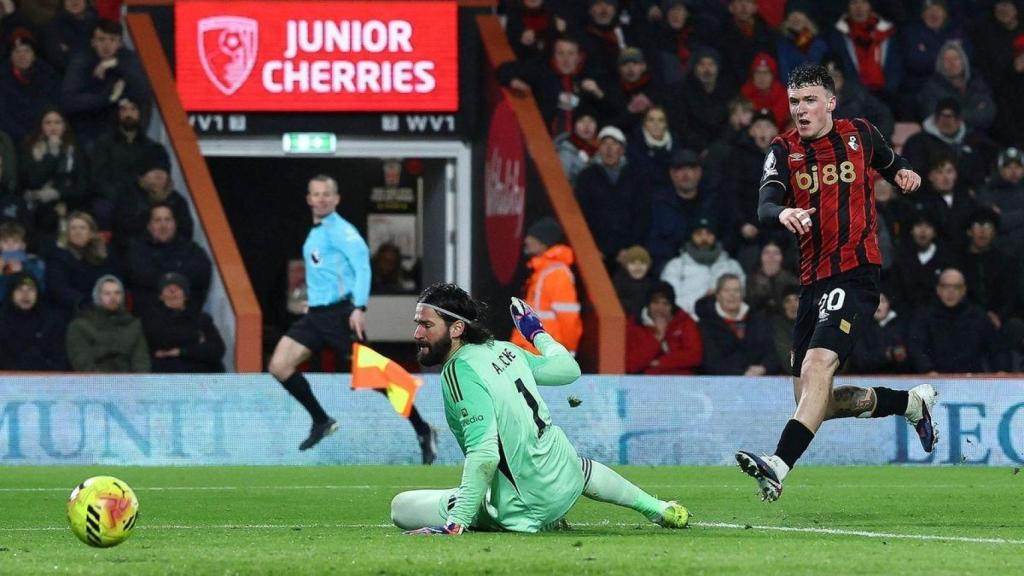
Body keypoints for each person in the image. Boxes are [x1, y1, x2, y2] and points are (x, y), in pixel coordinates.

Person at [736, 63, 938, 503]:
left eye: (810, 100)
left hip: (855, 271)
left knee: (816, 370)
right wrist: (782, 213)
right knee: (816, 402)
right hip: (811, 282)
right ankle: (909, 403)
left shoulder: (860, 134)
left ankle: (777, 465)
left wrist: (905, 173)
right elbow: (765, 205)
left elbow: (892, 163)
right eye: (794, 102)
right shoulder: (782, 150)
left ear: (830, 102)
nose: (801, 110)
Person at [390, 283, 689, 534]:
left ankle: (515, 514)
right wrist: (536, 333)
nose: (417, 334)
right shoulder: (504, 349)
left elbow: (484, 454)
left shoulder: (459, 371)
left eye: (426, 325)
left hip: (525, 507)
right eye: (418, 324)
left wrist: (456, 524)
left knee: (401, 506)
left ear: (456, 328)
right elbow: (568, 369)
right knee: (579, 466)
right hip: (563, 479)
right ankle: (658, 508)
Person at [268, 175, 437, 460]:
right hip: (317, 315)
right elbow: (327, 271)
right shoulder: (317, 232)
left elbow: (363, 269)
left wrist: (359, 307)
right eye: (316, 194)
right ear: (309, 199)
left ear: (336, 199)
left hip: (340, 316)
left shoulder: (342, 231)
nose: (321, 199)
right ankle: (322, 420)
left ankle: (423, 429)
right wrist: (316, 299)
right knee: (279, 365)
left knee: (378, 380)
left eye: (326, 194)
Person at [510, 217, 582, 355]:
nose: (526, 241)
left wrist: (568, 351)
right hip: (534, 350)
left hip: (543, 353)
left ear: (544, 243)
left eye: (532, 237)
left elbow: (568, 318)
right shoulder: (542, 272)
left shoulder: (557, 274)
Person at [140, 272, 226, 373]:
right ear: (160, 296)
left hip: (202, 375)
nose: (172, 291)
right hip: (165, 375)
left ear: (185, 295)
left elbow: (217, 349)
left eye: (177, 288)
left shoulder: (202, 319)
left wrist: (181, 351)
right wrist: (196, 340)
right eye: (167, 288)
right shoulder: (149, 319)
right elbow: (159, 341)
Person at [696, 273, 779, 376]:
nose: (732, 294)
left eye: (736, 290)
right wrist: (741, 374)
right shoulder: (706, 324)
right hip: (720, 384)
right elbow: (710, 362)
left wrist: (764, 367)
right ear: (717, 296)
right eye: (726, 290)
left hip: (759, 381)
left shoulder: (758, 320)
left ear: (742, 295)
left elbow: (772, 353)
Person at [65, 274, 149, 373]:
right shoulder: (80, 325)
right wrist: (105, 383)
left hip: (128, 383)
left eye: (117, 293)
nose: (113, 297)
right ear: (97, 296)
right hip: (93, 384)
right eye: (107, 293)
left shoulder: (133, 325)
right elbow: (82, 362)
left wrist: (136, 384)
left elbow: (141, 360)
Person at [626, 281, 703, 374]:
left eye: (666, 304)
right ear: (648, 304)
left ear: (672, 306)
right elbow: (630, 364)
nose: (660, 308)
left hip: (682, 380)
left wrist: (660, 362)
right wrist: (658, 337)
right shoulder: (635, 324)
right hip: (647, 381)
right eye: (656, 303)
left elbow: (695, 355)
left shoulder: (683, 320)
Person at [0, 271, 66, 370]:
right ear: (11, 293)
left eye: (30, 290)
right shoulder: (2, 322)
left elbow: (59, 359)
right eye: (19, 290)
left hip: (45, 380)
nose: (25, 295)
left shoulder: (50, 321)